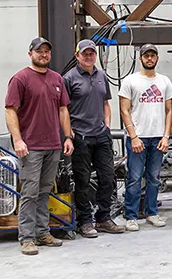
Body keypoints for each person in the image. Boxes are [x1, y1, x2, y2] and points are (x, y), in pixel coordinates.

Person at [5, 37, 74, 255]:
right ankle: (27, 237)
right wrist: (18, 140)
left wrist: (67, 137)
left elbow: (63, 110)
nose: (43, 55)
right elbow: (10, 111)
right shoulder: (20, 79)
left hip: (53, 145)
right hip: (30, 146)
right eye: (39, 51)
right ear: (30, 54)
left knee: (45, 190)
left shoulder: (56, 79)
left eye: (46, 51)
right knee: (30, 192)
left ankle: (43, 232)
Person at [63, 39, 124, 237]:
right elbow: (62, 109)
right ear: (77, 56)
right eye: (85, 54)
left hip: (101, 136)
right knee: (83, 180)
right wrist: (69, 134)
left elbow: (106, 103)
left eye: (92, 53)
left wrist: (107, 126)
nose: (89, 57)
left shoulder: (101, 76)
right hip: (80, 137)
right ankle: (86, 221)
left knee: (108, 177)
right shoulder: (69, 78)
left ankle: (104, 218)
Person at [119, 44, 172, 231]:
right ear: (141, 58)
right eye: (146, 55)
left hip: (157, 138)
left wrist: (166, 136)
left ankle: (152, 213)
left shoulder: (165, 81)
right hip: (138, 138)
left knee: (154, 178)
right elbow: (124, 110)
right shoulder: (130, 81)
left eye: (153, 55)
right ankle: (131, 216)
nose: (149, 59)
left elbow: (169, 111)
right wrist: (133, 137)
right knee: (134, 179)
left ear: (157, 58)